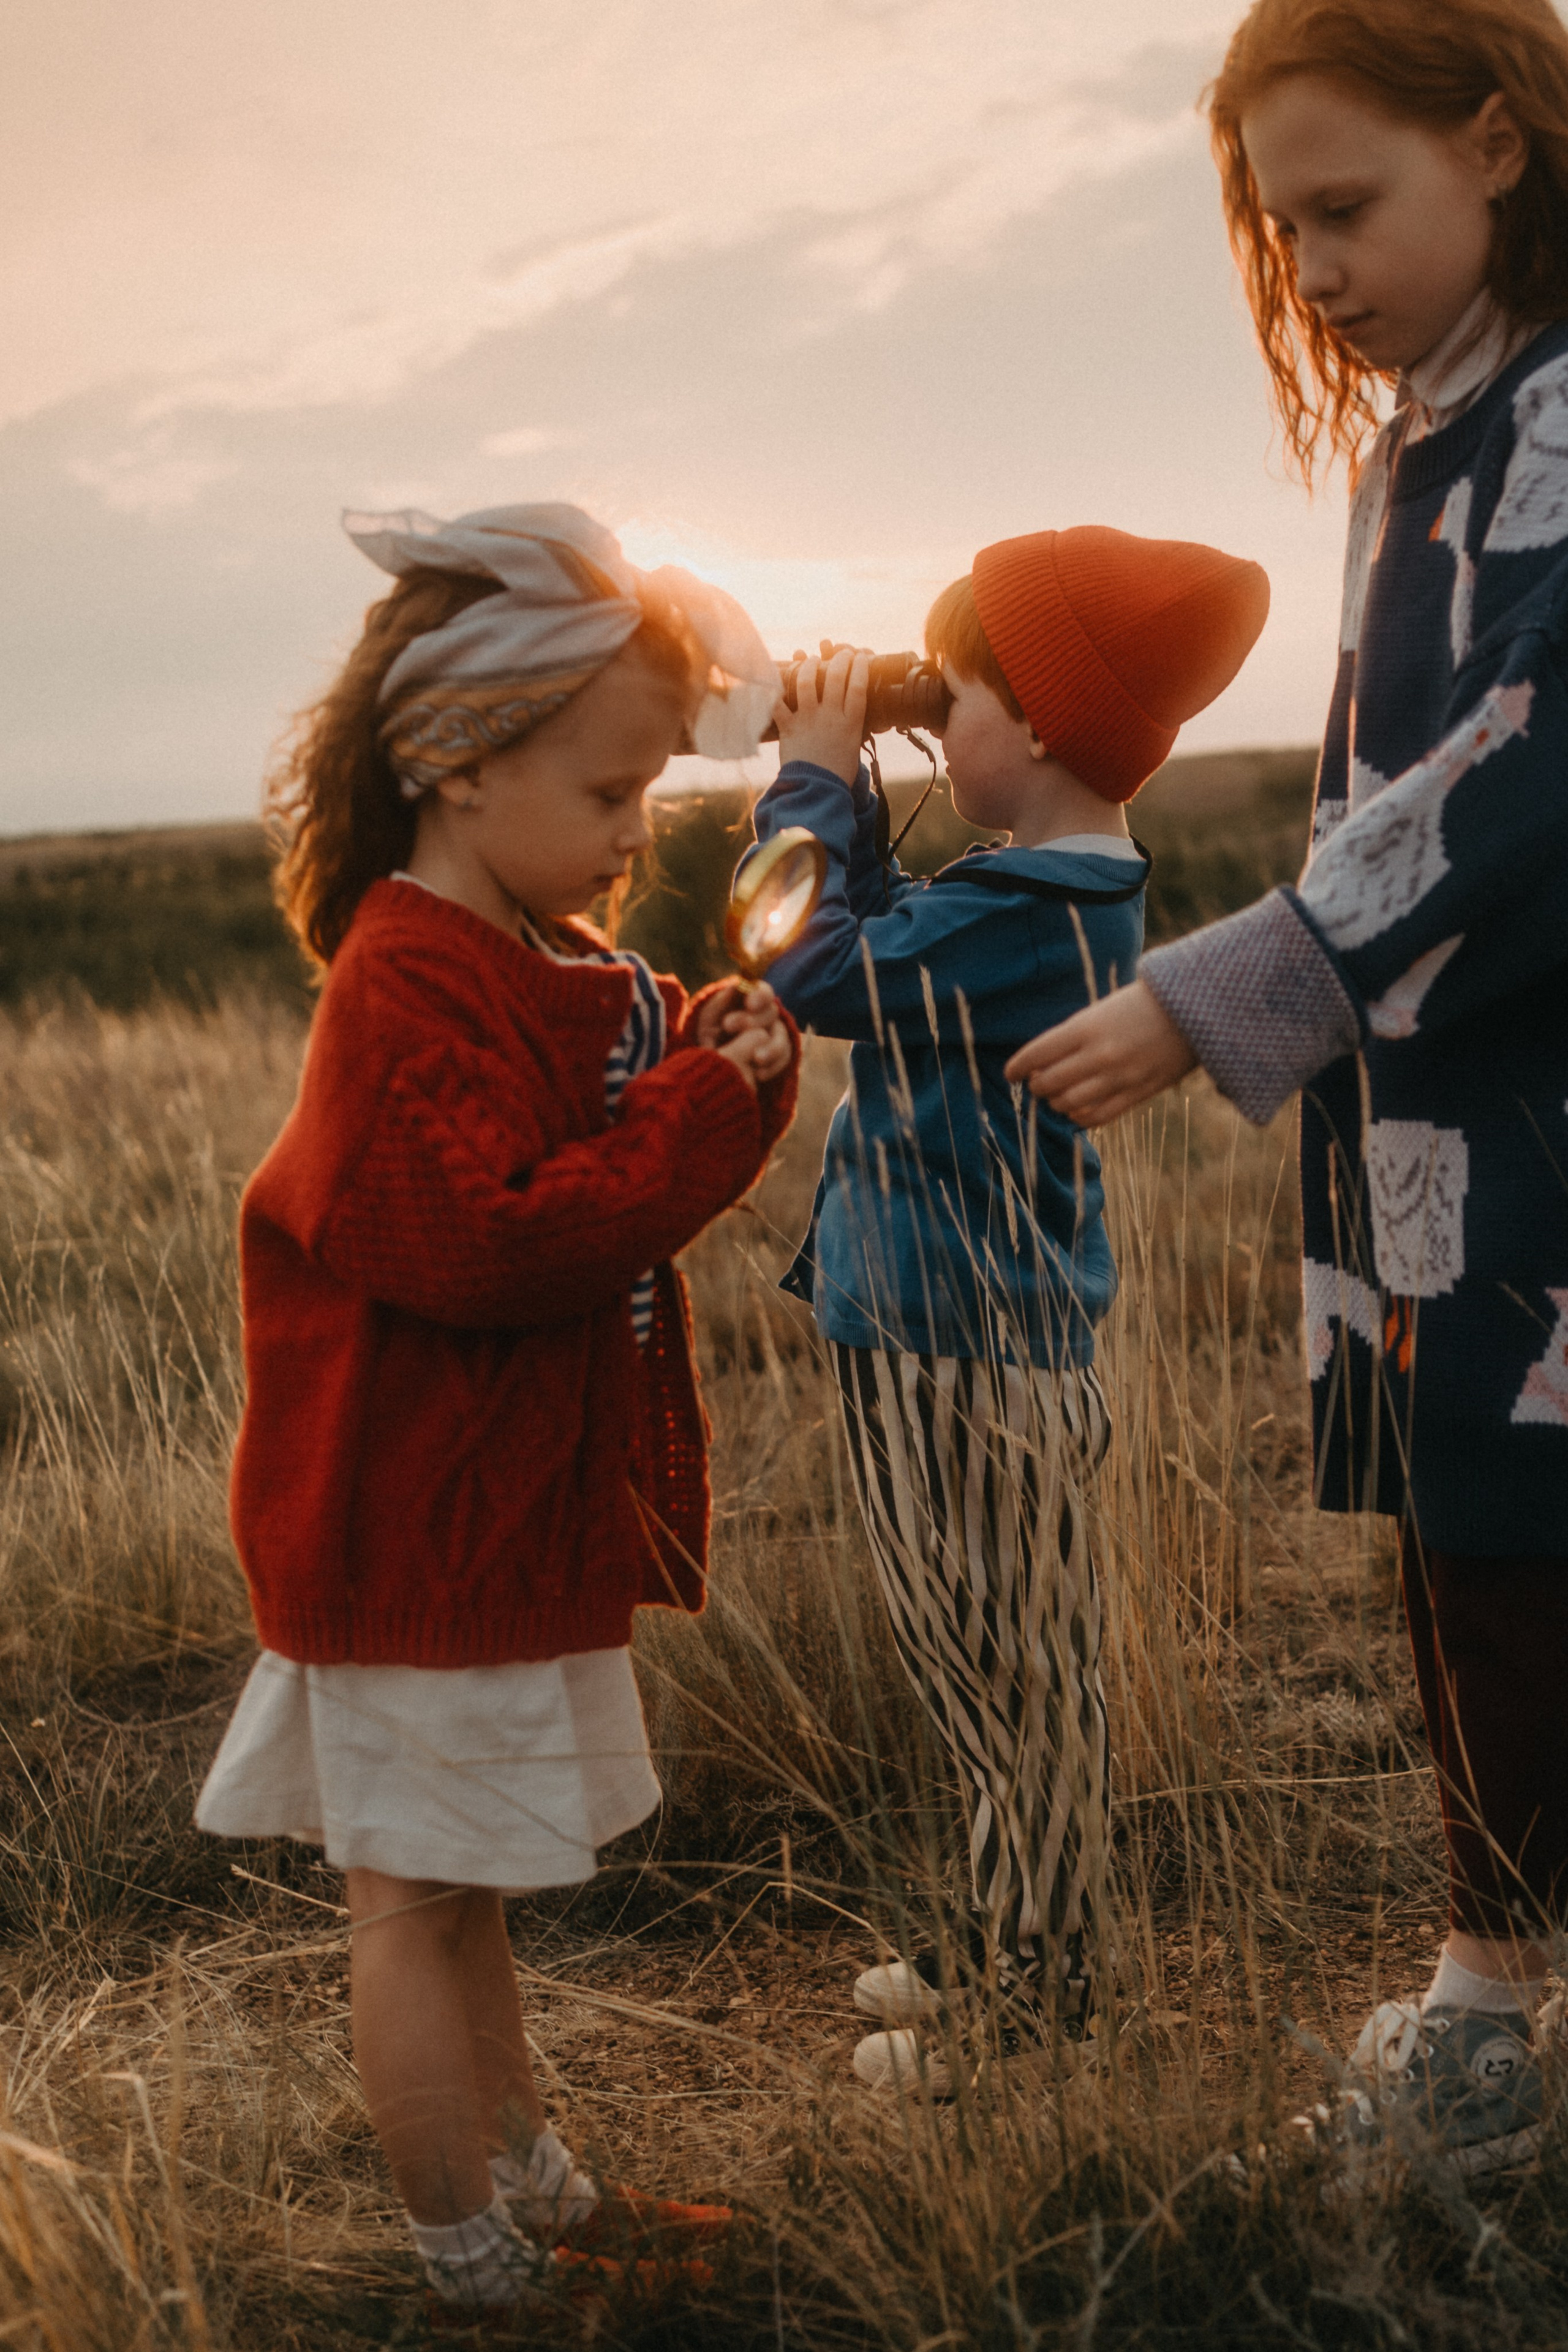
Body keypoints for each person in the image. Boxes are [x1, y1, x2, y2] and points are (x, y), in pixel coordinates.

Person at [1006, 0, 1568, 2174]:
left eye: (1348, 206)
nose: (1311, 269)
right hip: (1431, 1106)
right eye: (1279, 226)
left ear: (1501, 141)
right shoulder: (1427, 430)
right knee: (1464, 1533)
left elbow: (1530, 778)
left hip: (1532, 1105)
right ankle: (1491, 1990)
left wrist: (1252, 978)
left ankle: (1488, 2013)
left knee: (1524, 1529)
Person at [195, 504, 799, 2316]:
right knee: (409, 1906)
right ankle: (463, 2259)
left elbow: (600, 1141)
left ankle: (535, 2182)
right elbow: (494, 1247)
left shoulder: (528, 967)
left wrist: (714, 1073)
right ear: (459, 762)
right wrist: (694, 1118)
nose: (636, 838)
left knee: (465, 1894)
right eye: (612, 798)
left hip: (487, 1520)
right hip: (406, 1526)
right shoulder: (400, 985)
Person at [750, 530, 1268, 2090]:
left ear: (1035, 725)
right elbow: (891, 943)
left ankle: (1031, 2008)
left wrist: (802, 780)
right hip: (974, 1336)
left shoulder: (1030, 905)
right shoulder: (1059, 886)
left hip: (947, 1345)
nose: (934, 717)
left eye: (952, 693)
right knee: (1008, 1668)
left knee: (992, 1674)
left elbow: (809, 970)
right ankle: (1017, 1940)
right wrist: (853, 783)